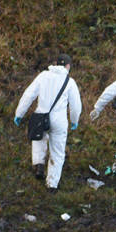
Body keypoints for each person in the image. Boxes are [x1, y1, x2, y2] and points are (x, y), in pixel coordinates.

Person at [13, 53, 82, 191]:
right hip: (59, 120)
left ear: (55, 64)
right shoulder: (70, 82)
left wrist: (19, 114)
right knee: (57, 151)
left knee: (38, 139)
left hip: (41, 115)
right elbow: (76, 105)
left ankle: (39, 165)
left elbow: (28, 95)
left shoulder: (43, 76)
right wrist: (74, 120)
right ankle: (52, 184)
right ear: (68, 66)